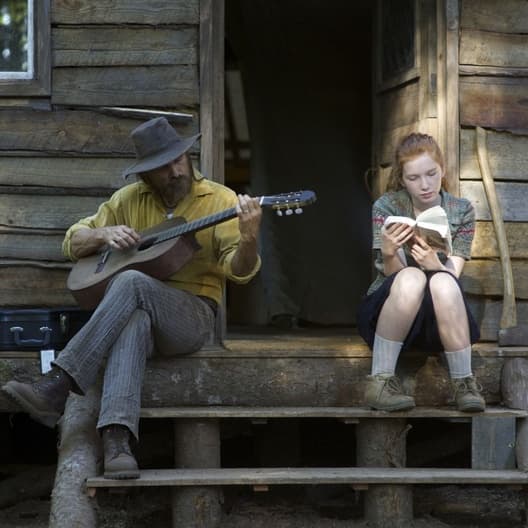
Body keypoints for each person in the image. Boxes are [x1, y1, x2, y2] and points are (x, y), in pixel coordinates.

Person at [2, 117, 262, 479]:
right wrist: (103, 235)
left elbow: (239, 271)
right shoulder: (128, 199)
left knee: (130, 281)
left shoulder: (220, 200)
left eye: (179, 160)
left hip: (191, 316)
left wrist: (249, 239)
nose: (175, 171)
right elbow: (72, 241)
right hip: (137, 311)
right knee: (133, 321)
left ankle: (58, 383)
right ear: (145, 174)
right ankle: (117, 440)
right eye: (163, 167)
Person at [357, 133, 485, 413]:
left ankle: (464, 383)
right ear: (402, 179)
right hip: (391, 315)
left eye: (431, 174)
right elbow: (394, 277)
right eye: (414, 178)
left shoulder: (462, 210)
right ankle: (380, 382)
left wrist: (434, 265)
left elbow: (454, 272)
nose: (425, 185)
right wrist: (389, 253)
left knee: (442, 281)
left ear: (443, 169)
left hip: (440, 318)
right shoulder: (387, 206)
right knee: (412, 277)